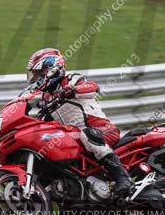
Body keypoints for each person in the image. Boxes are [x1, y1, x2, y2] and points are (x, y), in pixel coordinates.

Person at [25, 48, 134, 198]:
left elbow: (93, 87)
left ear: (50, 68)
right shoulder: (46, 97)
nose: (36, 78)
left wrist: (72, 90)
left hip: (101, 130)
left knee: (88, 134)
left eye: (38, 74)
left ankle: (123, 178)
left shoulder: (70, 79)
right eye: (34, 75)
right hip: (76, 140)